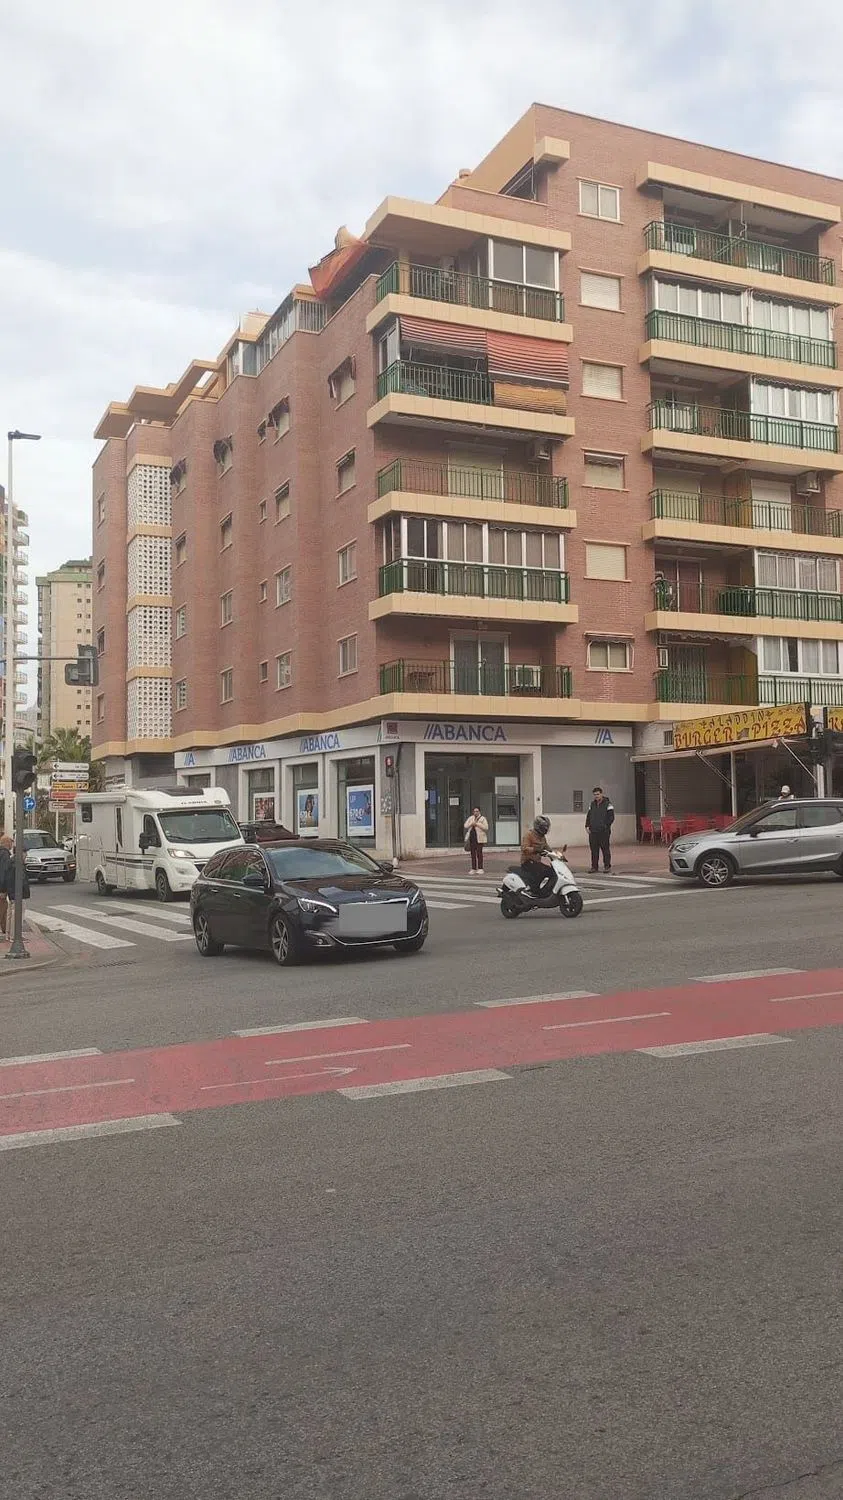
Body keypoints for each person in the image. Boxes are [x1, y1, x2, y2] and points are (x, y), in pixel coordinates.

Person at [520, 815, 554, 895]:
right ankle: (533, 890)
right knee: (542, 871)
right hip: (528, 861)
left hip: (536, 862)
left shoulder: (542, 837)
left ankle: (546, 891)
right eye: (543, 827)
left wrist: (555, 854)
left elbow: (547, 847)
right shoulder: (529, 835)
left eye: (546, 827)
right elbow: (524, 848)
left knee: (552, 872)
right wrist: (535, 849)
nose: (545, 829)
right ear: (538, 827)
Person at [586, 786, 615, 873]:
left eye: (598, 794)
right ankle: (594, 867)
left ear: (601, 794)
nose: (596, 796)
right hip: (593, 831)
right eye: (595, 795)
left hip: (603, 832)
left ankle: (607, 866)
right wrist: (587, 826)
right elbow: (589, 816)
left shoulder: (608, 804)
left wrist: (605, 826)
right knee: (594, 850)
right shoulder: (592, 804)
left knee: (605, 849)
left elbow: (611, 817)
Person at [463, 807, 489, 874]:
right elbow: (465, 825)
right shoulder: (471, 818)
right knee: (473, 854)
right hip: (472, 838)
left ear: (479, 812)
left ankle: (480, 868)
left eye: (477, 811)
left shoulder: (483, 818)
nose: (475, 813)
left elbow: (486, 828)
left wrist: (477, 824)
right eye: (474, 811)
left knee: (479, 853)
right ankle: (473, 868)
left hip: (479, 839)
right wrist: (471, 824)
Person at [0, 835, 12, 942]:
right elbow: (4, 871)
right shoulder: (5, 854)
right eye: (10, 842)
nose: (11, 844)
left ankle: (4, 929)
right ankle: (4, 929)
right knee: (3, 908)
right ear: (6, 843)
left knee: (4, 907)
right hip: (2, 887)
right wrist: (3, 890)